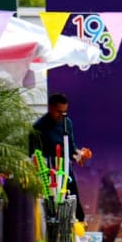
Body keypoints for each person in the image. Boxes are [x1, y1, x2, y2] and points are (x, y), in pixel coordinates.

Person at [31, 93, 87, 221]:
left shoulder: (67, 122)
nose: (62, 115)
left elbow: (71, 149)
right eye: (58, 112)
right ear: (50, 107)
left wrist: (79, 156)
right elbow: (34, 155)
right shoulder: (38, 127)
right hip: (48, 172)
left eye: (65, 112)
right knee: (51, 206)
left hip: (65, 169)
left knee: (73, 199)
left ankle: (78, 226)